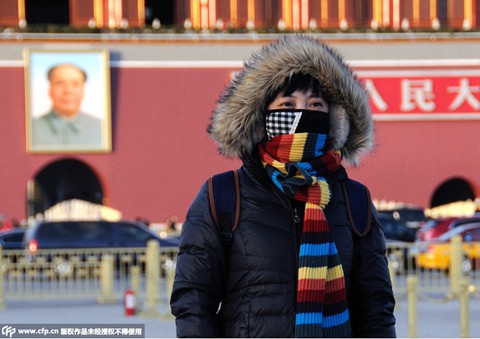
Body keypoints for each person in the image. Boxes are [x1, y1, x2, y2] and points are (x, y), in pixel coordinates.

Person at [170, 34, 396, 338]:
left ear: (334, 118)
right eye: (287, 104)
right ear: (263, 116)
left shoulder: (352, 198)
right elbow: (194, 300)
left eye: (316, 104)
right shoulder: (223, 194)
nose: (303, 113)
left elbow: (375, 307)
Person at [31, 63, 102, 148]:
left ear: (83, 90)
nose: (68, 91)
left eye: (75, 84)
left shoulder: (101, 128)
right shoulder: (32, 128)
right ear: (49, 89)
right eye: (60, 83)